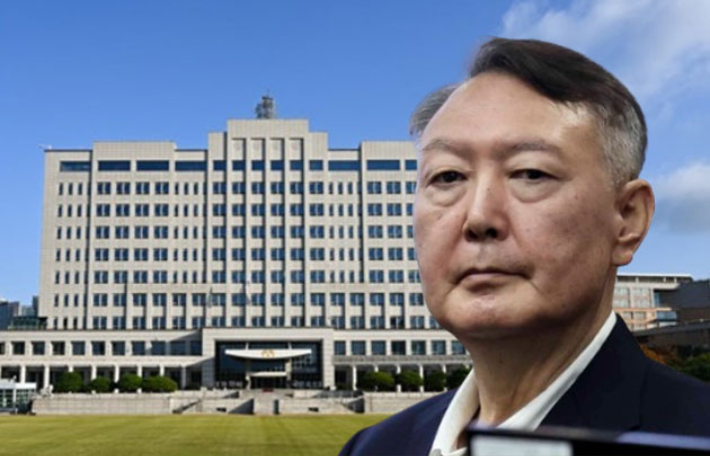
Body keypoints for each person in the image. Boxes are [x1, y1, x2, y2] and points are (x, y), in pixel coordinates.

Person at [340, 37, 710, 456]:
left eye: (530, 173)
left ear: (627, 218)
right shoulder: (372, 447)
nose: (478, 217)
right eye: (448, 177)